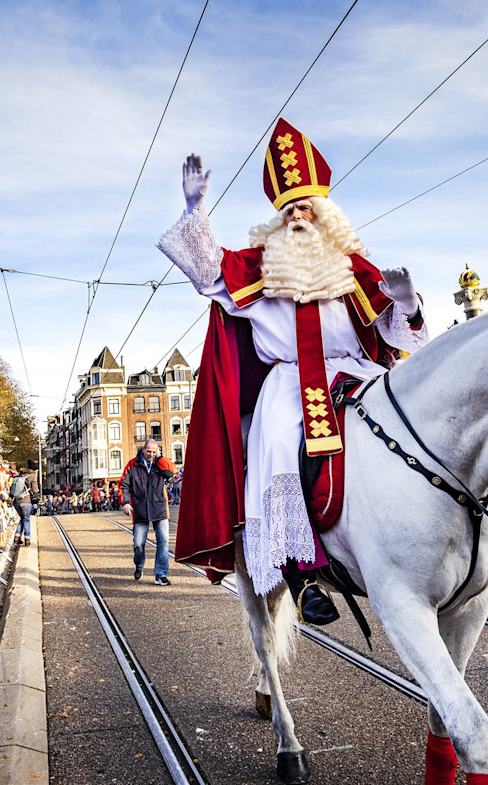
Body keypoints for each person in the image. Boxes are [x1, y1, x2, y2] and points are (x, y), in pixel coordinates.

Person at [156, 120, 429, 622]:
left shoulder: (353, 269)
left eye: (305, 207)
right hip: (287, 382)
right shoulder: (262, 268)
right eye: (287, 210)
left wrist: (408, 302)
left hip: (355, 373)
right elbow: (209, 270)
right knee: (278, 447)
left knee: (412, 421)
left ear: (324, 213)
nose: (297, 216)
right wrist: (196, 211)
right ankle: (302, 574)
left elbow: (401, 333)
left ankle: (444, 525)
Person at [121, 439, 176, 585]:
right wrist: (126, 503)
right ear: (143, 450)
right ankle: (139, 565)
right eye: (149, 451)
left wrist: (161, 458)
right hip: (140, 509)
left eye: (154, 452)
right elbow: (124, 485)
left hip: (160, 508)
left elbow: (172, 472)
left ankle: (161, 574)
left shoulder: (160, 464)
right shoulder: (132, 465)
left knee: (163, 542)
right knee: (138, 543)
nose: (151, 454)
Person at [8, 469, 33, 546]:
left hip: (16, 502)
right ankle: (27, 539)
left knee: (22, 518)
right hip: (26, 501)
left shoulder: (16, 479)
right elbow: (35, 490)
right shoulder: (32, 477)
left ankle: (17, 537)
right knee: (26, 519)